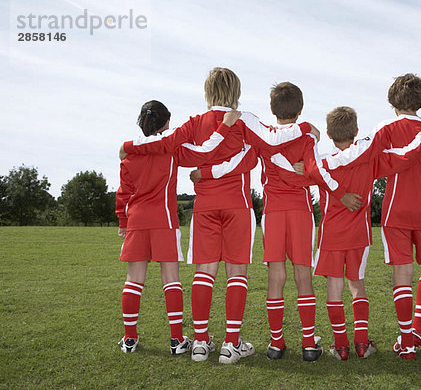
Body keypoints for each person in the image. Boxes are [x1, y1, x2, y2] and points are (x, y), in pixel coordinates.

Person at [119, 68, 319, 364]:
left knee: (204, 273)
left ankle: (200, 343)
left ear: (206, 92)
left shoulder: (194, 123)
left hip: (204, 208)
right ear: (236, 92)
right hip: (237, 206)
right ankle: (230, 344)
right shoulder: (245, 119)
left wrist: (127, 146)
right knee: (236, 274)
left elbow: (169, 146)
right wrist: (306, 128)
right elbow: (272, 143)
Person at [190, 82, 362, 362]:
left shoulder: (263, 136)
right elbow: (315, 173)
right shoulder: (307, 138)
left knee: (276, 277)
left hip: (272, 212)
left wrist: (205, 172)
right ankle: (308, 344)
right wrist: (304, 173)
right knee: (302, 276)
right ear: (301, 109)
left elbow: (251, 158)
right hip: (301, 212)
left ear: (272, 109)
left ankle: (276, 343)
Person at [312, 73, 421, 360]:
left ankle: (406, 342)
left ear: (392, 101)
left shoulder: (383, 130)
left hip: (394, 212)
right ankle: (419, 328)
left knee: (401, 276)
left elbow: (357, 159)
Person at [278, 106, 421, 360]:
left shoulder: (322, 165)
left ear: (329, 134)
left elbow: (298, 174)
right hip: (359, 236)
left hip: (330, 236)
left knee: (334, 287)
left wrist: (301, 167)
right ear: (357, 131)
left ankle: (341, 346)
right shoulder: (370, 159)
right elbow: (406, 156)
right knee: (357, 286)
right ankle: (362, 344)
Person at [115, 100, 238, 355]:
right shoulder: (172, 150)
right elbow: (205, 152)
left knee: (133, 281)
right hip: (164, 220)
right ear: (167, 123)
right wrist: (225, 127)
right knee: (170, 280)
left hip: (137, 221)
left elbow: (123, 192)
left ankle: (129, 339)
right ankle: (176, 340)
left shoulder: (129, 154)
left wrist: (123, 221)